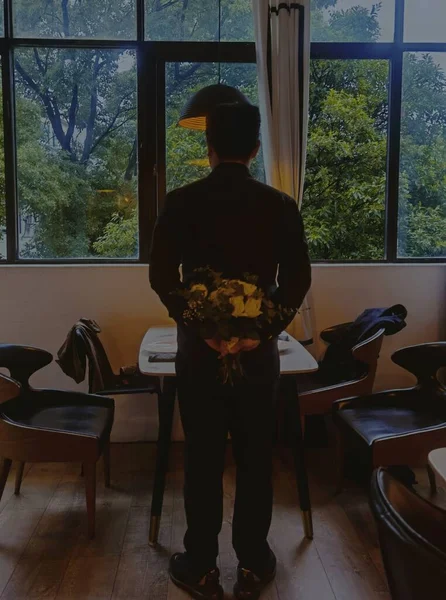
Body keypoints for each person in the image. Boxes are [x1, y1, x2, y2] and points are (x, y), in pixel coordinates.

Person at [149, 102, 311, 600]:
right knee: (257, 456)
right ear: (257, 148)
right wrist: (263, 331)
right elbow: (297, 280)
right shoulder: (281, 205)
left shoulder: (180, 202)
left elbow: (161, 277)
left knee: (201, 458)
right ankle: (254, 562)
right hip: (259, 358)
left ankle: (199, 565)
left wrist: (199, 327)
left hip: (199, 357)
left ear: (209, 148)